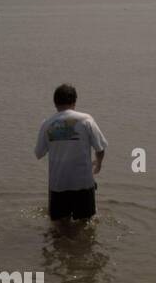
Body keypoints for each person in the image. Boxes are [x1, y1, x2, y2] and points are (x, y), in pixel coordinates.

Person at [34, 83, 107, 222]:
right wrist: (98, 164)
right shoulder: (86, 120)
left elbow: (39, 153)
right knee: (85, 223)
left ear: (55, 103)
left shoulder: (47, 123)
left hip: (58, 184)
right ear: (74, 101)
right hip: (83, 183)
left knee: (59, 226)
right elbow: (100, 148)